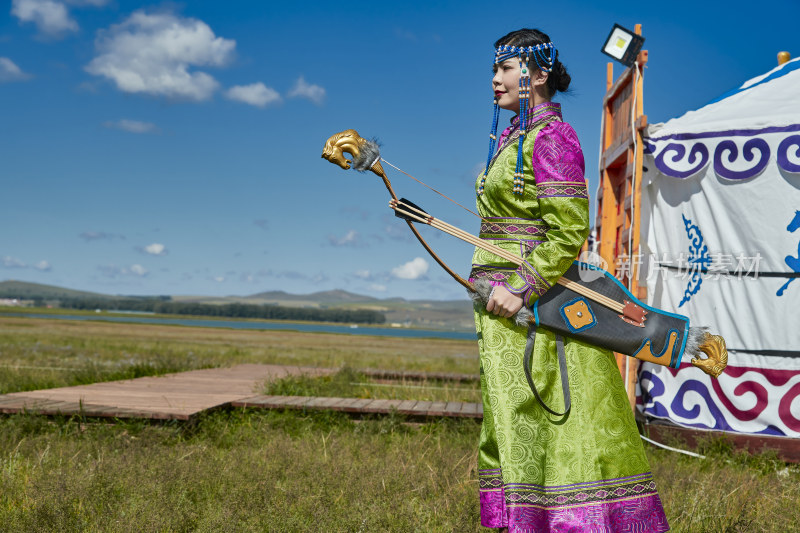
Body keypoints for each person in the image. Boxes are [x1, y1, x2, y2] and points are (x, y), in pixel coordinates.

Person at [471, 28, 670, 532]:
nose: (495, 79)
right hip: (499, 307)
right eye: (494, 69)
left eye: (505, 69)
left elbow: (567, 230)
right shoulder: (514, 137)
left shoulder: (554, 137)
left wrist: (520, 287)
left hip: (528, 304)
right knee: (513, 418)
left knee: (545, 417)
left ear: (537, 75)